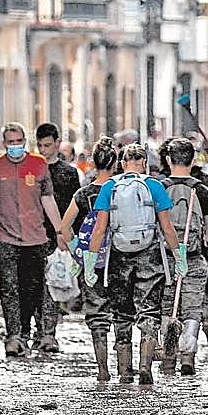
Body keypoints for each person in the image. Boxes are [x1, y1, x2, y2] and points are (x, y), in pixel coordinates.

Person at [84, 144, 184, 386]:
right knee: (149, 310)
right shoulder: (154, 186)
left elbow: (99, 229)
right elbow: (167, 228)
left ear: (122, 163)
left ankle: (124, 370)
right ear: (144, 163)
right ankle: (145, 365)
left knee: (121, 313)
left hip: (119, 256)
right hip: (150, 254)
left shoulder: (110, 186)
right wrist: (178, 257)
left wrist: (90, 262)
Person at [0, 122, 67, 358]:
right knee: (8, 289)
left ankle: (28, 332)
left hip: (34, 238)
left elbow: (48, 200)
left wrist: (59, 231)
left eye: (19, 142)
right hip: (3, 237)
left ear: (25, 142)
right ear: (4, 143)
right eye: (10, 142)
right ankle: (14, 337)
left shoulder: (38, 165)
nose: (15, 146)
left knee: (31, 289)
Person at [60, 137, 119, 384]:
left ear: (94, 162)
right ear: (116, 163)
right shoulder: (121, 190)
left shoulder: (83, 194)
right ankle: (127, 368)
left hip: (91, 262)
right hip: (121, 259)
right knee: (122, 314)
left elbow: (65, 228)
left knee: (97, 314)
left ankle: (102, 368)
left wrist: (78, 251)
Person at [158, 138, 208, 376]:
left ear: (168, 160)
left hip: (165, 259)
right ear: (193, 160)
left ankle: (168, 356)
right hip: (194, 257)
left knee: (166, 307)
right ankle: (188, 356)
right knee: (192, 308)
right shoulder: (201, 189)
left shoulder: (160, 188)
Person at [33, 123, 83, 353]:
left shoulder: (68, 173)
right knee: (34, 285)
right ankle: (37, 330)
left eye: (48, 145)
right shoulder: (31, 170)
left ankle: (48, 333)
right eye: (40, 145)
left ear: (57, 142)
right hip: (33, 233)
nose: (44, 150)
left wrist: (71, 236)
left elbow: (76, 206)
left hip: (58, 236)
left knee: (52, 285)